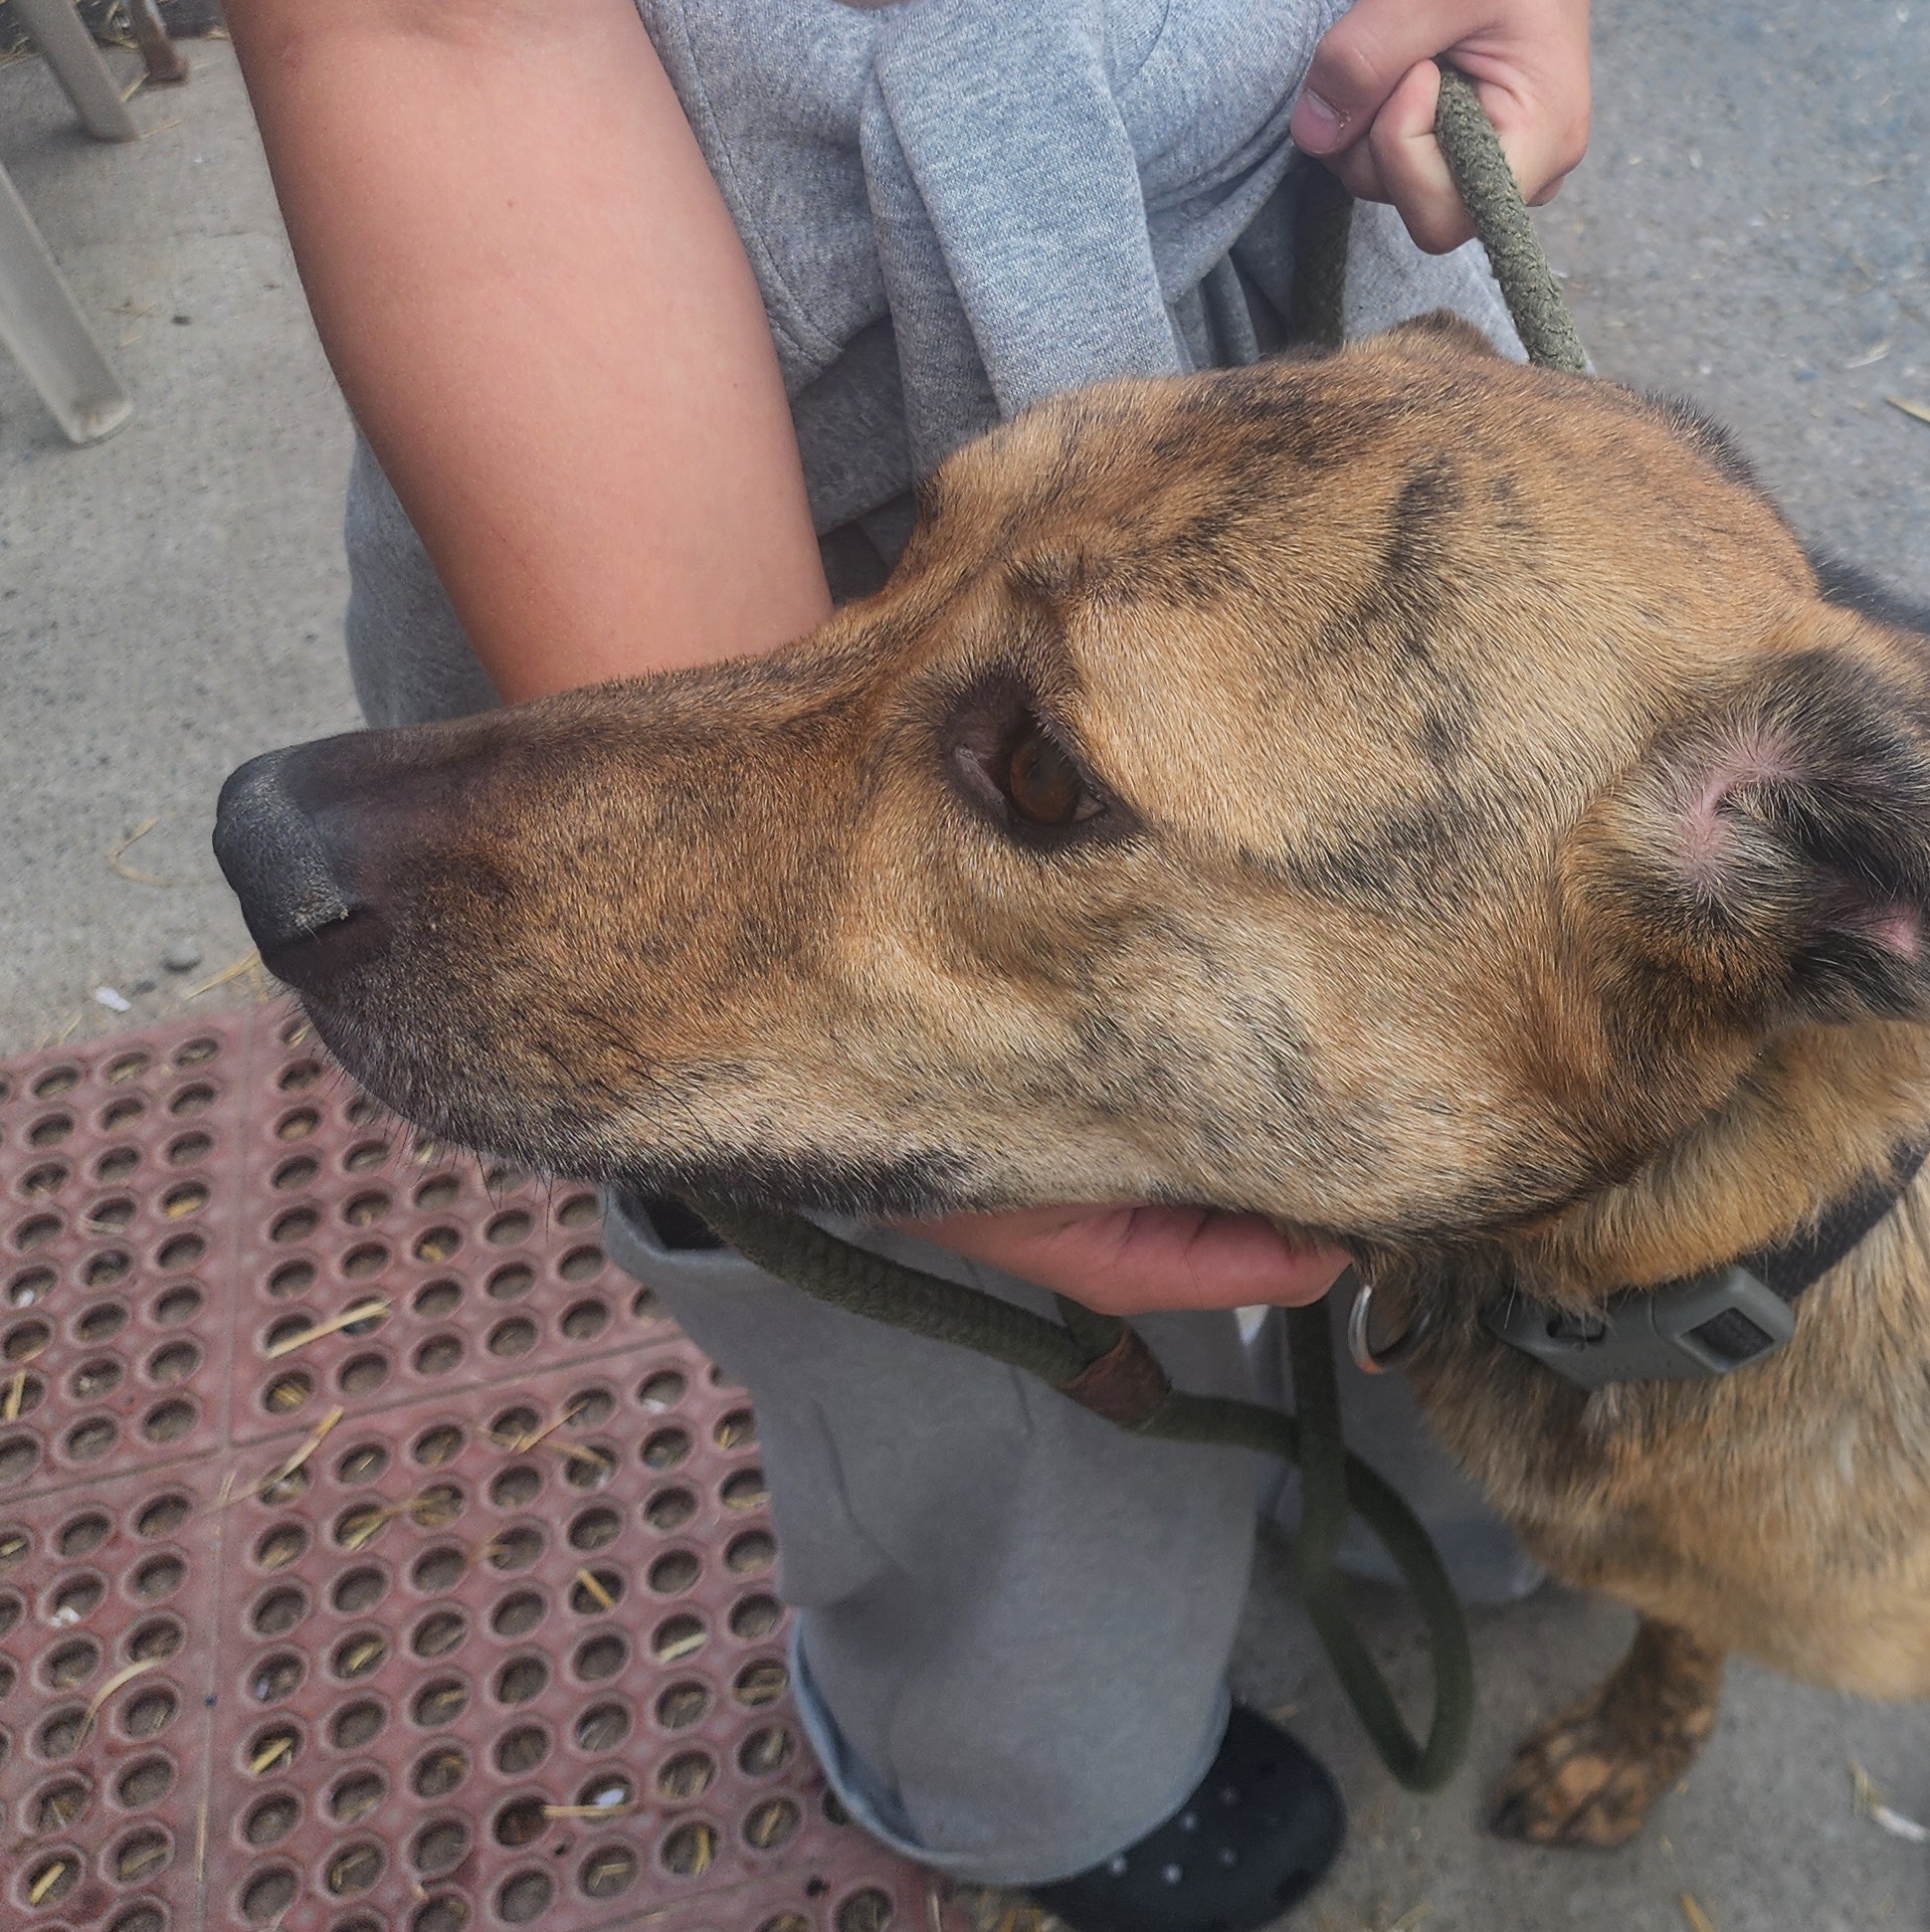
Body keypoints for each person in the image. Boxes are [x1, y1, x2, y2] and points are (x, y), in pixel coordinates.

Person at [227, 3, 1590, 1925]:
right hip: (679, 444)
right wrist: (735, 946)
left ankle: (1434, 1487)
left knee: (1457, 1104)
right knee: (924, 1323)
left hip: (1320, 268)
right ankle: (1029, 1760)